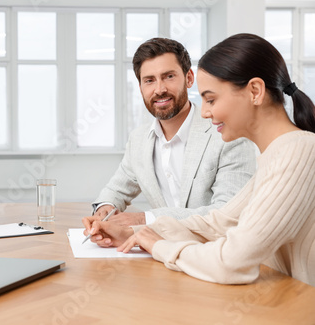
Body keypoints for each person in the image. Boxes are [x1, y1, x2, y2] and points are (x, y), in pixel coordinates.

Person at [85, 33, 315, 286]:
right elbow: (220, 222)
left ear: (255, 91)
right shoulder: (279, 154)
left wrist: (158, 245)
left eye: (212, 99)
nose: (205, 112)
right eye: (149, 80)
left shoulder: (298, 152)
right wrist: (133, 233)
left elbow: (232, 262)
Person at [87, 38, 256, 228]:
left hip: (214, 251)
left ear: (189, 78)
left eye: (169, 76)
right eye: (149, 80)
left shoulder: (229, 135)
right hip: (160, 250)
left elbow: (228, 213)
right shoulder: (139, 140)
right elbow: (116, 190)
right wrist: (105, 209)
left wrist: (145, 219)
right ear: (141, 87)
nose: (160, 90)